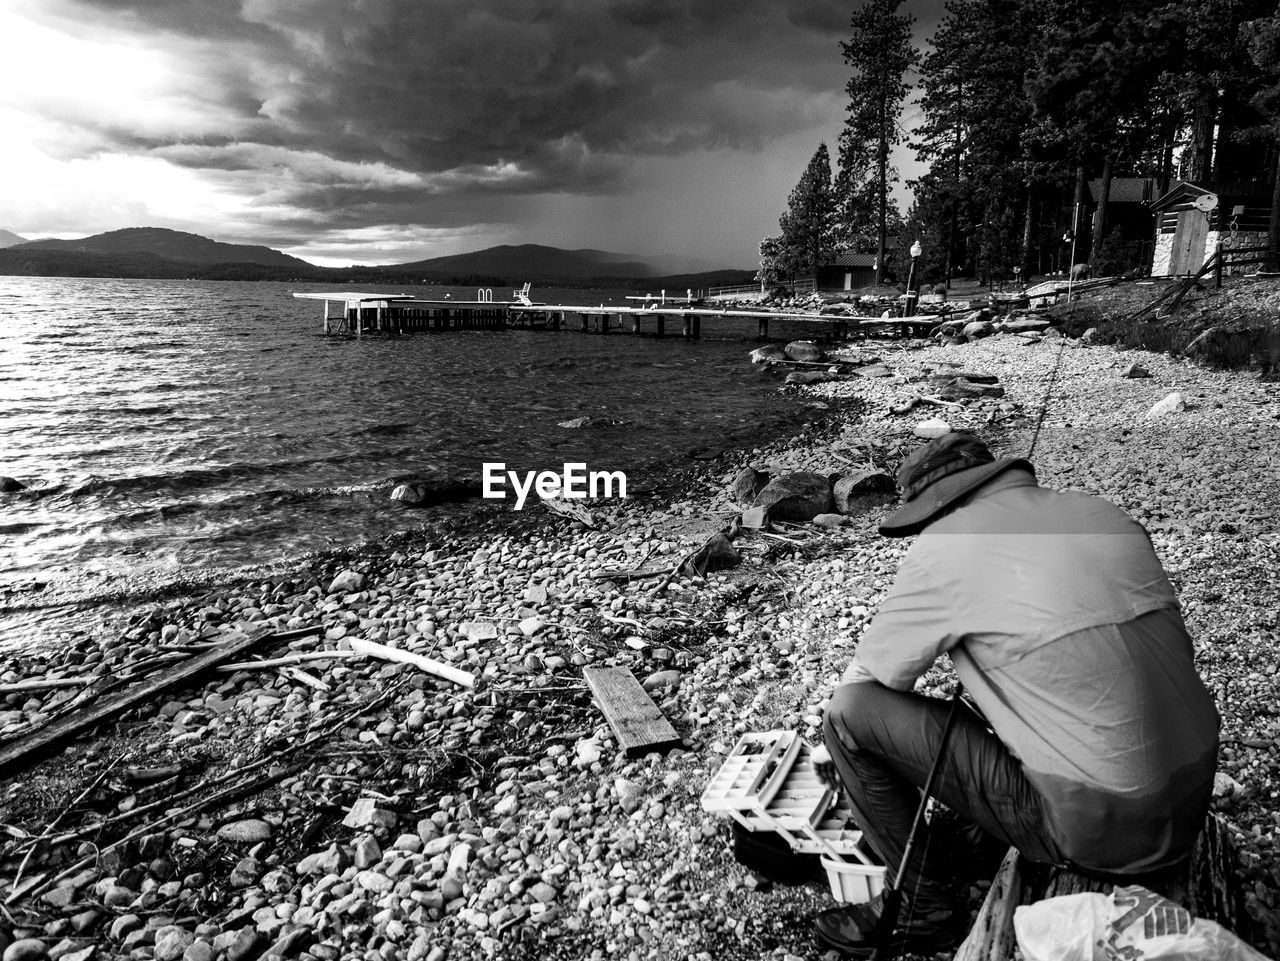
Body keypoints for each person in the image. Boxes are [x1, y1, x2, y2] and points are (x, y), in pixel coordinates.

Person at [813, 432, 1221, 957]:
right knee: (1029, 682)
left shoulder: (944, 548)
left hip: (1105, 831)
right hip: (1190, 794)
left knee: (847, 718)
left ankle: (921, 908)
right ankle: (978, 838)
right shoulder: (1104, 515)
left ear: (938, 506)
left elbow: (870, 682)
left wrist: (832, 756)